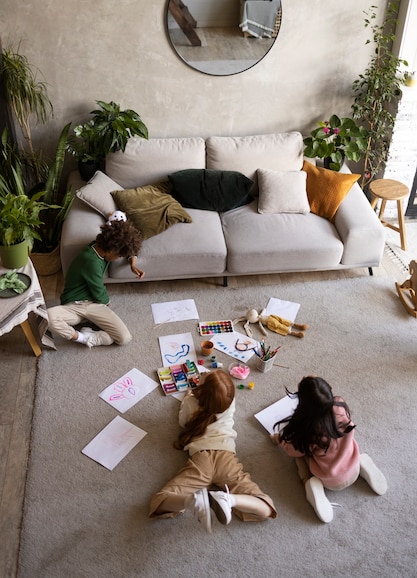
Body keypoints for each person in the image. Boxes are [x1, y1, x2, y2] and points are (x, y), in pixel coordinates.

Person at [149, 370, 277, 532]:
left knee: (161, 500)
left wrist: (188, 397)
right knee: (266, 508)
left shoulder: (190, 402)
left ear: (201, 391)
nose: (204, 372)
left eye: (204, 376)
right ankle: (230, 500)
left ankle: (191, 501)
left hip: (201, 460)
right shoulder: (230, 401)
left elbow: (183, 422)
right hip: (227, 459)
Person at [270, 376, 387, 523]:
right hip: (352, 464)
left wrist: (280, 440)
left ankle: (310, 483)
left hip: (330, 481)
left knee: (299, 458)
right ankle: (360, 463)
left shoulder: (308, 430)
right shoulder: (340, 406)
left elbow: (293, 451)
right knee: (341, 437)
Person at [47, 217, 144, 349]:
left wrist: (133, 264)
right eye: (119, 256)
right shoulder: (91, 260)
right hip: (74, 306)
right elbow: (99, 290)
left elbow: (128, 246)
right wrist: (107, 304)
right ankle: (84, 338)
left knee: (124, 338)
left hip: (92, 304)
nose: (118, 259)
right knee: (48, 318)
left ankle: (91, 333)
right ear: (112, 250)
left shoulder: (102, 246)